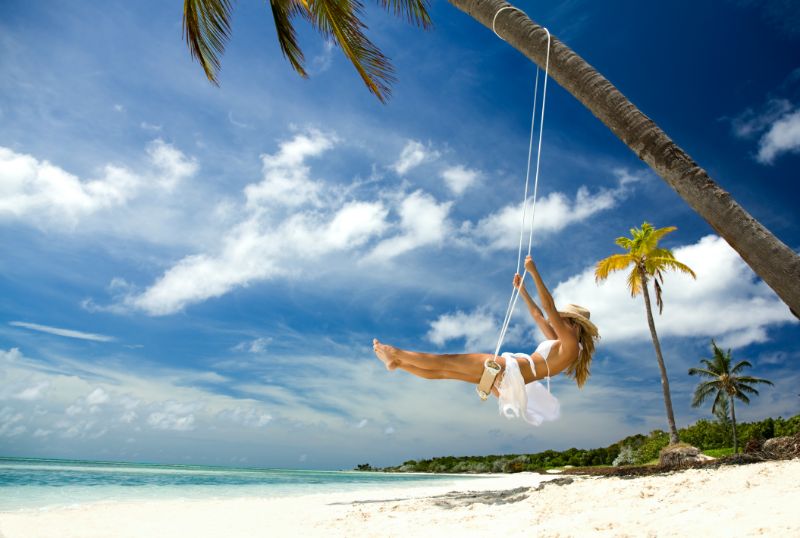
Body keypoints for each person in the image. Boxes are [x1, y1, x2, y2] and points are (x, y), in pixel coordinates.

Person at [373, 255, 599, 425]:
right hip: (506, 381)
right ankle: (399, 364)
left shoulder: (570, 341)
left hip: (507, 370)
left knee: (445, 362)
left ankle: (395, 354)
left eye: (566, 319)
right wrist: (523, 290)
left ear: (576, 325)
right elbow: (539, 315)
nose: (560, 320)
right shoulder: (565, 347)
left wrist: (534, 271)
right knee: (444, 372)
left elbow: (548, 308)